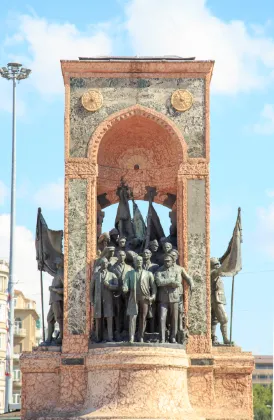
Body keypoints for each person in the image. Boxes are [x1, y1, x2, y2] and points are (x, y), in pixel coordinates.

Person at [123, 256, 157, 343]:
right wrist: (125, 288)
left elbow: (154, 287)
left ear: (142, 262)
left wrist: (153, 297)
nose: (139, 262)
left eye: (140, 260)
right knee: (132, 317)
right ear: (134, 262)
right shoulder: (129, 273)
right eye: (137, 260)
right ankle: (131, 337)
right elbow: (125, 284)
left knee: (143, 318)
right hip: (133, 298)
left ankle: (141, 336)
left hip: (144, 298)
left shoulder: (148, 273)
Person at [90, 257, 119, 342]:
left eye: (106, 263)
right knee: (98, 319)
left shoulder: (112, 275)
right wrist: (92, 300)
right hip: (98, 300)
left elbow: (116, 287)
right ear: (100, 264)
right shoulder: (95, 275)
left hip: (108, 300)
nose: (104, 264)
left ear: (108, 264)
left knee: (109, 318)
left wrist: (109, 285)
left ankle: (110, 337)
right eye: (103, 263)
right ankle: (98, 338)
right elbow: (91, 288)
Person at [155, 255, 181, 343]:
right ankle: (162, 337)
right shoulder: (159, 271)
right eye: (165, 261)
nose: (167, 262)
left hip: (174, 298)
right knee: (162, 318)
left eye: (168, 261)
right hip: (163, 298)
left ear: (172, 261)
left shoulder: (176, 271)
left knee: (174, 319)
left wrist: (166, 282)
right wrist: (170, 281)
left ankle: (173, 337)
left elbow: (178, 283)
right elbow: (159, 282)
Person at [170, 249, 193, 341]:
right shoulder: (165, 268)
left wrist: (192, 284)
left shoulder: (180, 269)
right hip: (166, 295)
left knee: (179, 313)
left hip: (178, 294)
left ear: (177, 257)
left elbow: (188, 277)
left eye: (174, 256)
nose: (173, 257)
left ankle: (177, 333)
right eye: (171, 256)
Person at [110, 250, 133, 338]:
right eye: (119, 255)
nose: (121, 257)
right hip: (116, 293)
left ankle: (126, 330)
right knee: (118, 311)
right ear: (117, 256)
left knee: (127, 311)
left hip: (127, 293)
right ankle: (118, 330)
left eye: (123, 255)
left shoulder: (130, 267)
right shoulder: (112, 268)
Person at [210, 257, 229, 345]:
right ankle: (225, 339)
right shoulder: (213, 273)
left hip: (218, 299)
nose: (217, 266)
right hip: (216, 299)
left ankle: (213, 337)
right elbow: (221, 270)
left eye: (218, 264)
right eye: (215, 264)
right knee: (224, 319)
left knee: (214, 320)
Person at [46, 257, 64, 345]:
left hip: (57, 299)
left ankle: (62, 337)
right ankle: (49, 339)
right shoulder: (57, 274)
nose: (56, 265)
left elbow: (66, 288)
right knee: (49, 319)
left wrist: (56, 290)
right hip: (53, 299)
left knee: (59, 318)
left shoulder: (61, 273)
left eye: (57, 263)